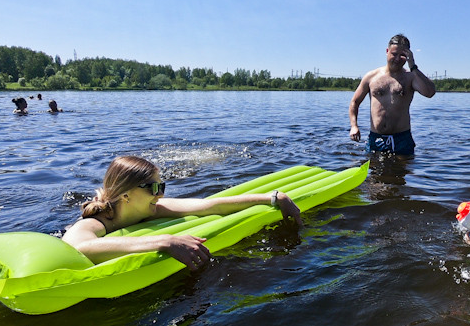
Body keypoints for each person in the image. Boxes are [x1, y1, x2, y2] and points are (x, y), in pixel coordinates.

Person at [62, 156, 303, 270]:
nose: (161, 195)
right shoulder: (98, 221)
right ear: (125, 195)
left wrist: (272, 197)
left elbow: (209, 206)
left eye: (162, 187)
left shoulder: (152, 209)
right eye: (154, 188)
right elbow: (78, 247)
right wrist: (165, 241)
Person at [348, 33, 436, 156]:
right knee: (373, 174)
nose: (397, 59)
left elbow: (430, 92)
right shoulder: (371, 77)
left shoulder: (411, 78)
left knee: (402, 173)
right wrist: (354, 126)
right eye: (394, 54)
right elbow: (354, 102)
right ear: (387, 51)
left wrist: (413, 66)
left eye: (403, 55)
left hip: (402, 139)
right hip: (376, 138)